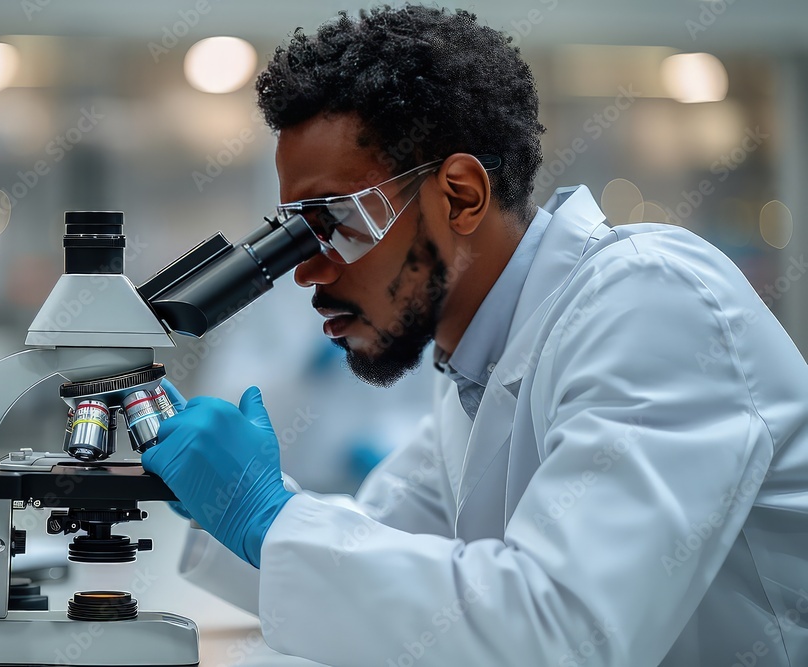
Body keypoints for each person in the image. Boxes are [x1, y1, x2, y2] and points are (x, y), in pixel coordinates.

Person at [141, 6, 808, 666]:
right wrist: (223, 504)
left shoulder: (651, 300)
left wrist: (267, 514)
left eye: (333, 221)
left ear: (461, 196)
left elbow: (562, 631)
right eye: (293, 233)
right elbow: (391, 562)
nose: (307, 269)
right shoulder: (477, 370)